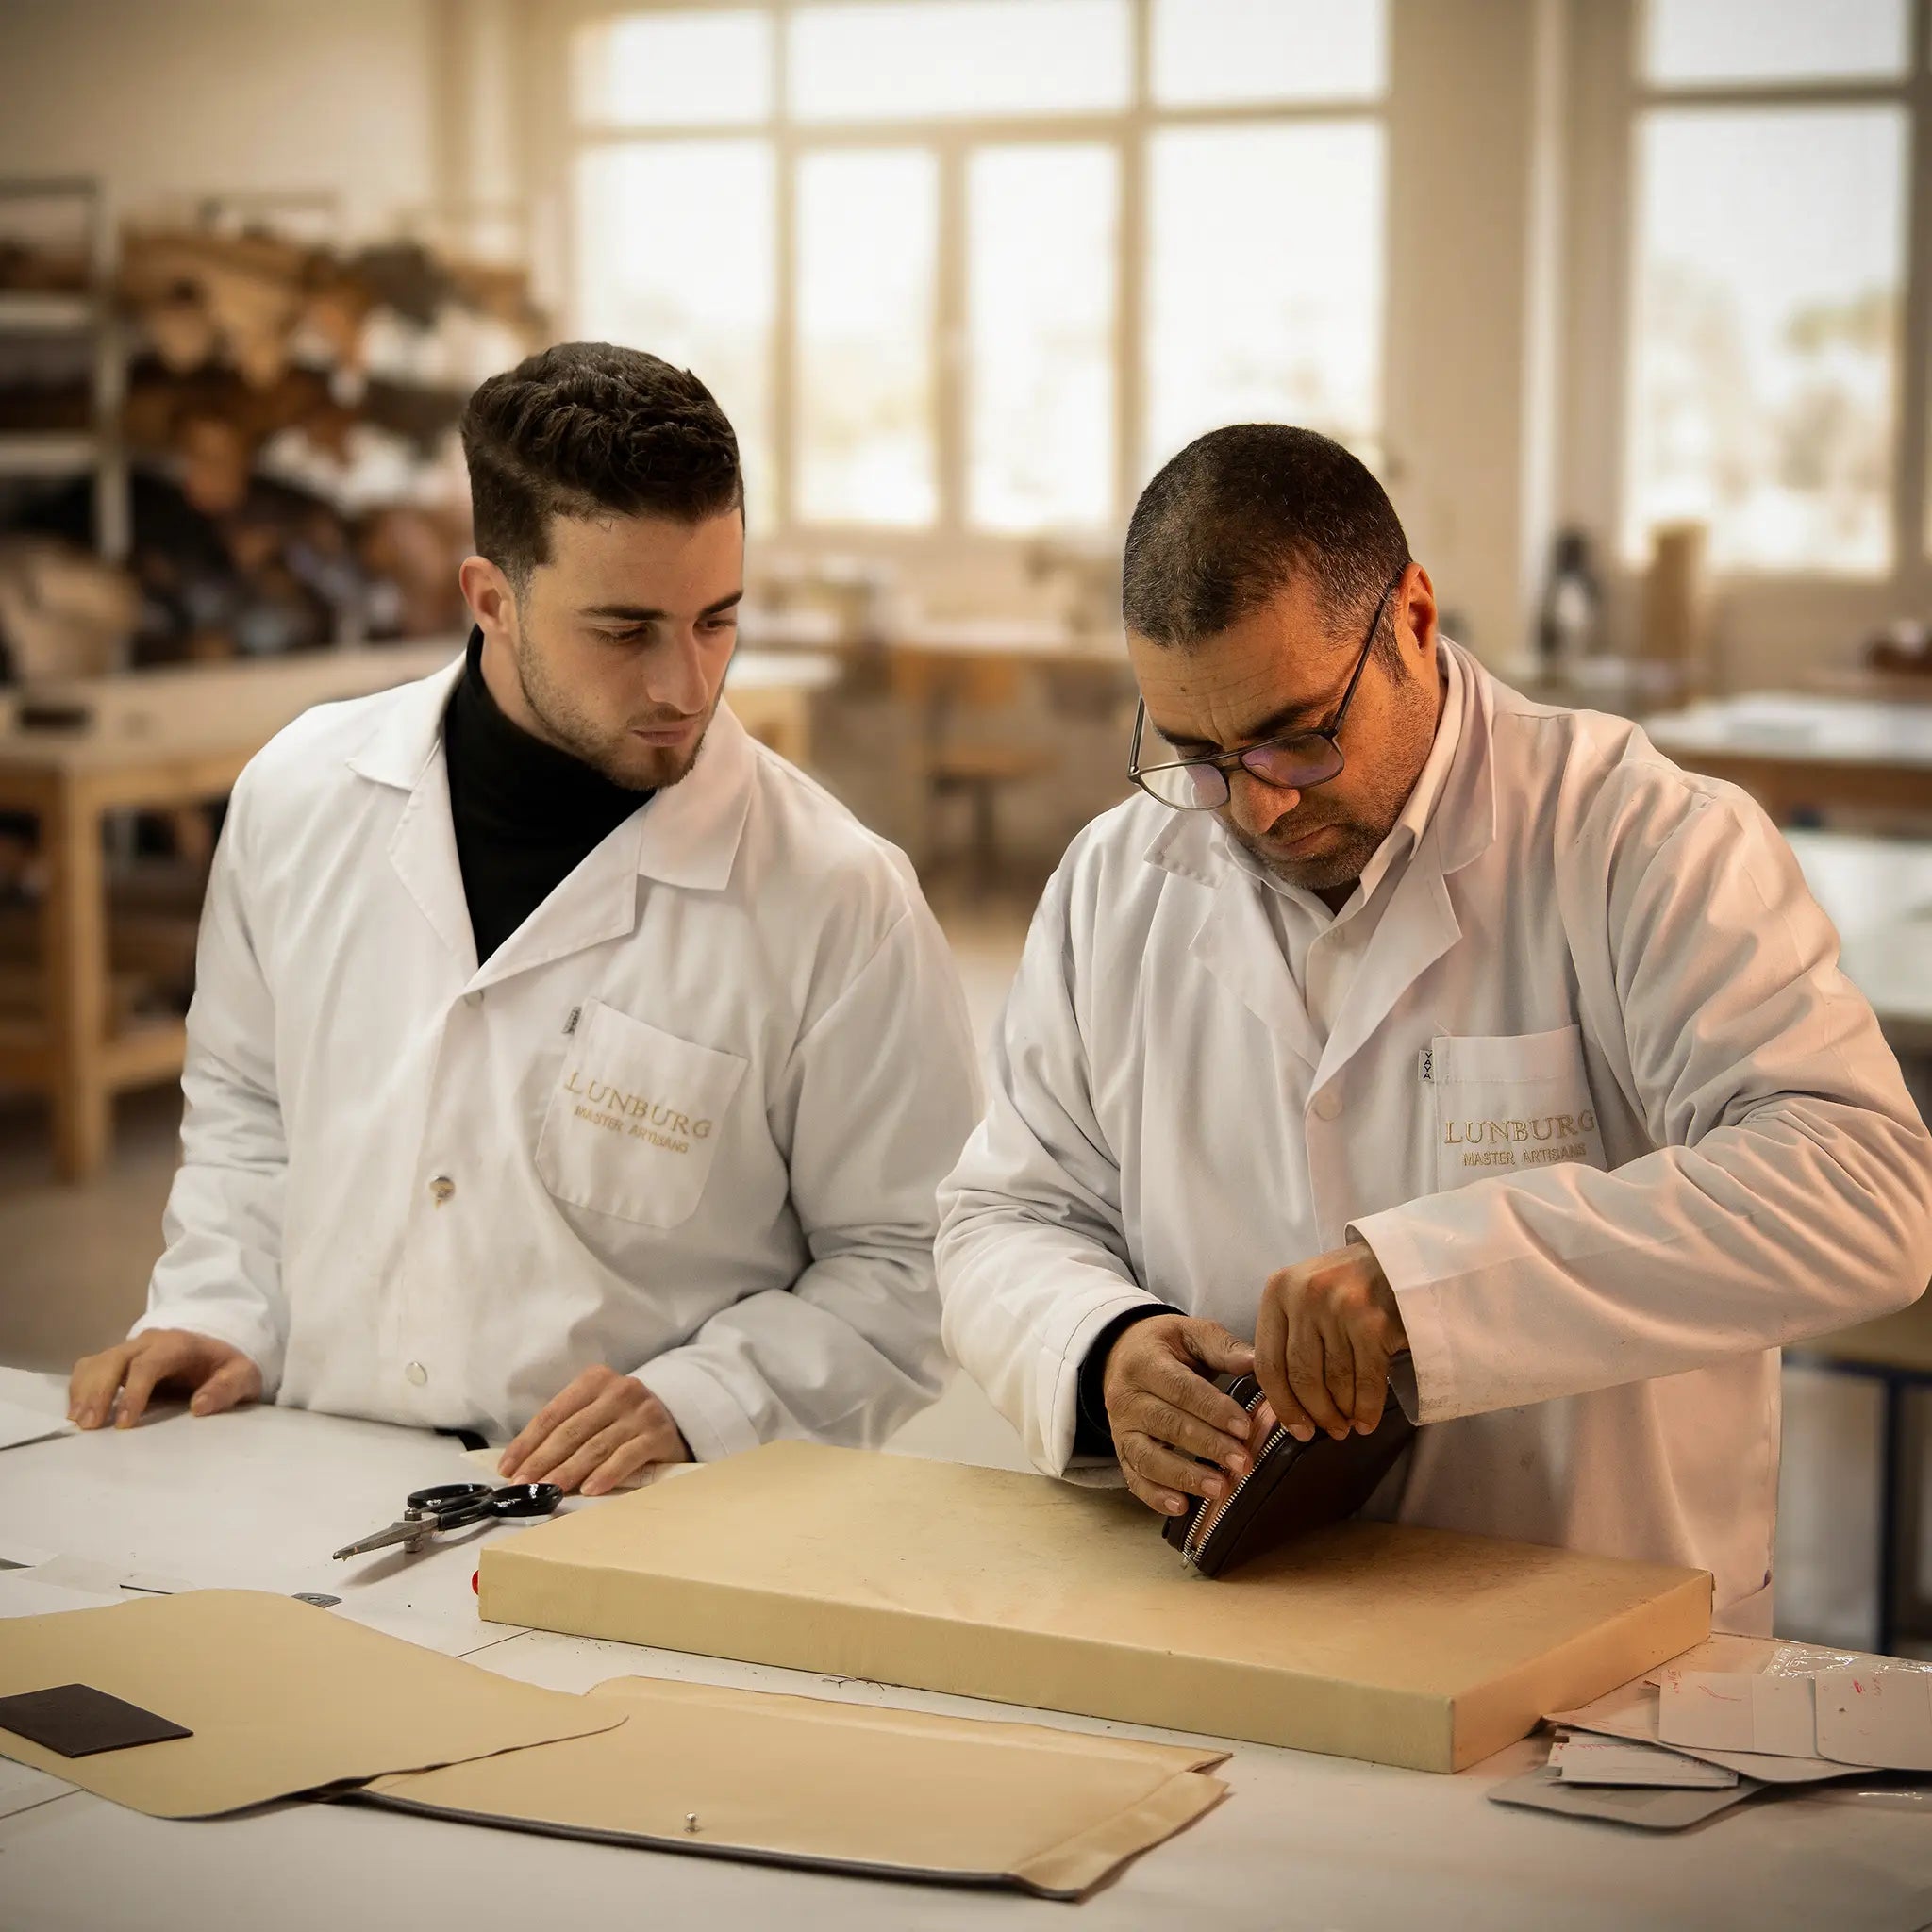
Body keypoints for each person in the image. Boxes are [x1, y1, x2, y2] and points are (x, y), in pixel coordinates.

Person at [936, 424, 1932, 1632]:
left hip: (1594, 1651)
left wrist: (1429, 1283)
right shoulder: (1115, 879)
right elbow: (1007, 1212)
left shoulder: (1637, 840)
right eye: (1198, 755)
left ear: (1411, 616)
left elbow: (1861, 1189)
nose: (1254, 805)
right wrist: (1101, 1351)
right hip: (1238, 1631)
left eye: (1296, 734)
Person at [70, 341, 980, 1496]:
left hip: (635, 1531)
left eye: (716, 619)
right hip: (306, 1476)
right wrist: (221, 1308)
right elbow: (251, 1111)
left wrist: (706, 1398)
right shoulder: (299, 796)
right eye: (625, 630)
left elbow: (910, 1258)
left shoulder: (836, 897)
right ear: (491, 598)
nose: (685, 685)